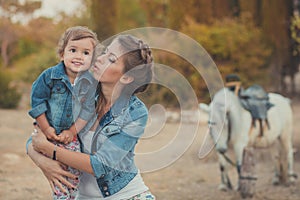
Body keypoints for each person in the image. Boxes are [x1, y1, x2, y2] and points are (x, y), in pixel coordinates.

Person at [27, 34, 156, 200]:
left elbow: (99, 165)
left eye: (111, 59)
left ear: (126, 77)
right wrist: (40, 159)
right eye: (105, 53)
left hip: (126, 195)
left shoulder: (135, 113)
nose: (100, 59)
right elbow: (38, 137)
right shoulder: (78, 94)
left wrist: (49, 151)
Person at [28, 26, 99, 199]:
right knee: (56, 172)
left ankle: (70, 196)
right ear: (62, 53)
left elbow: (88, 110)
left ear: (92, 59)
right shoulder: (49, 76)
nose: (78, 56)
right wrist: (46, 129)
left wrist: (72, 131)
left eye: (86, 53)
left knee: (72, 176)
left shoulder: (90, 83)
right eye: (73, 50)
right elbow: (38, 102)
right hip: (49, 133)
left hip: (71, 137)